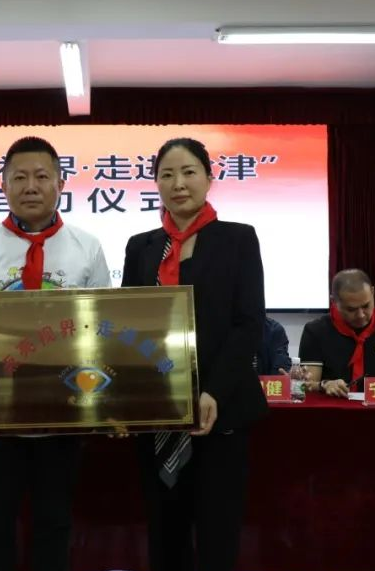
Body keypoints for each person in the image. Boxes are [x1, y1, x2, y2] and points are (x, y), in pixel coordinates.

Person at [0, 136, 110, 571]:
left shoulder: (87, 247)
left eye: (41, 176)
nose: (31, 186)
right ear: (3, 186)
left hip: (64, 413)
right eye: (19, 177)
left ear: (60, 183)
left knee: (54, 525)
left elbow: (102, 327)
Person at [122, 137, 266, 571]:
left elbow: (248, 323)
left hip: (221, 409)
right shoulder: (141, 246)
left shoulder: (238, 239)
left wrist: (213, 392)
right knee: (165, 531)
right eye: (166, 175)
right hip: (157, 412)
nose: (178, 184)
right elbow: (126, 325)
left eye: (188, 172)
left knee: (218, 531)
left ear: (208, 177)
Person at [298, 269, 375, 398]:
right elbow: (306, 385)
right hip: (333, 407)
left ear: (373, 292)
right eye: (351, 309)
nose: (361, 315)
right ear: (334, 301)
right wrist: (324, 385)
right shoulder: (316, 331)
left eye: (366, 306)